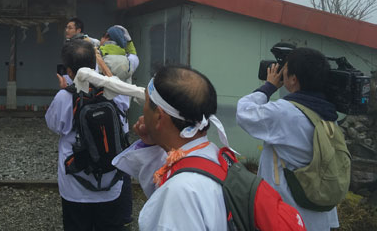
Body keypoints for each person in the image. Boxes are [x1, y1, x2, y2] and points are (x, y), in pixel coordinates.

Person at [113, 64, 229, 230]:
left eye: (146, 101)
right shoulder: (214, 155)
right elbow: (163, 183)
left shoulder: (180, 192)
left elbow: (172, 193)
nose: (143, 109)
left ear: (159, 116)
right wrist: (150, 144)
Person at [236, 47, 340, 230]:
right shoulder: (329, 116)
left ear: (293, 79)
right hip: (318, 216)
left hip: (288, 218)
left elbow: (244, 112)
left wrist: (268, 86)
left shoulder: (286, 113)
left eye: (285, 70)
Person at [46, 39, 130, 231]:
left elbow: (54, 125)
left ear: (69, 71)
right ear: (95, 63)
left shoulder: (64, 97)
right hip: (111, 180)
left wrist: (63, 91)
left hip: (75, 183)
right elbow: (124, 109)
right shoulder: (116, 91)